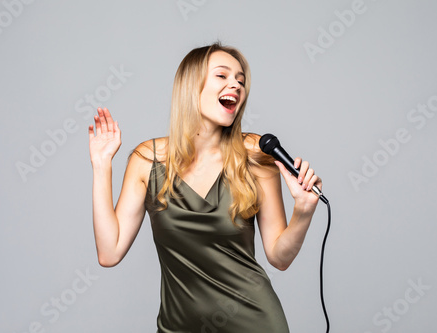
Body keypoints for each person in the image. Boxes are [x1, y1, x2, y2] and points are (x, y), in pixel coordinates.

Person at [88, 42, 322, 333]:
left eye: (241, 80)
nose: (235, 85)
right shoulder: (147, 160)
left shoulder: (256, 156)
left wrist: (303, 210)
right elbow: (109, 253)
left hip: (254, 323)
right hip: (179, 327)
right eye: (222, 76)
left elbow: (279, 257)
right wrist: (102, 166)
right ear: (191, 86)